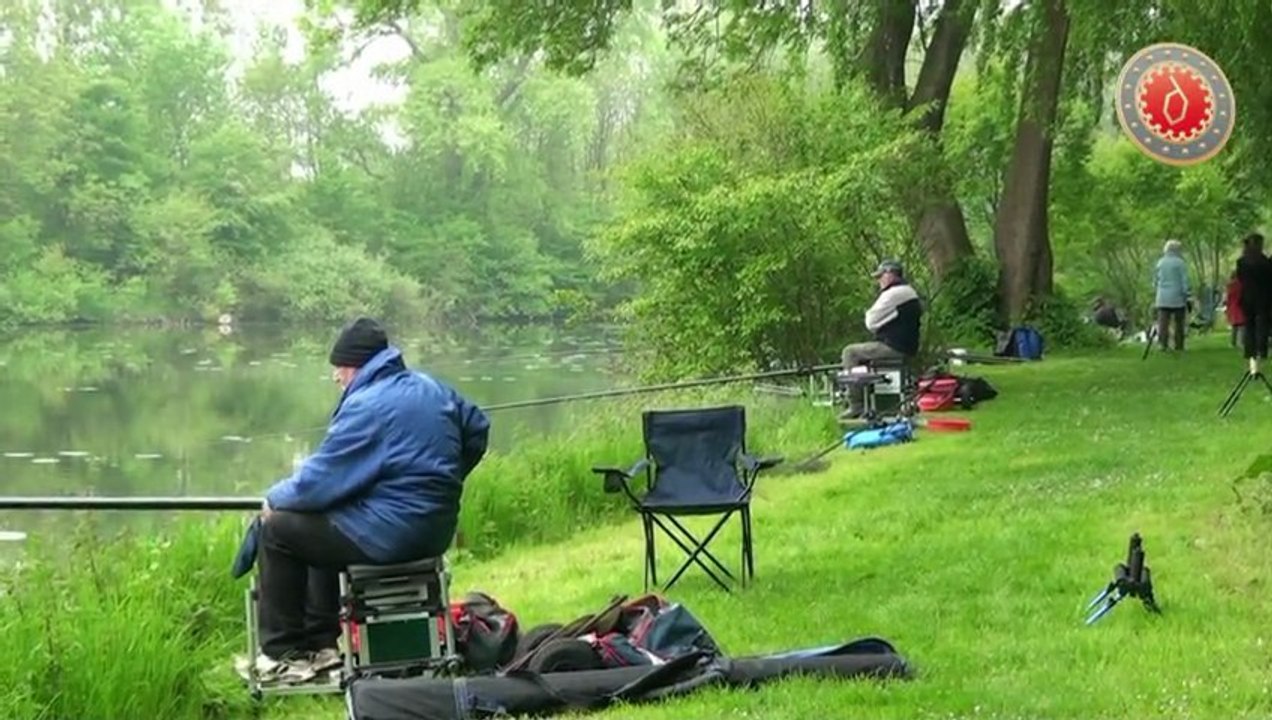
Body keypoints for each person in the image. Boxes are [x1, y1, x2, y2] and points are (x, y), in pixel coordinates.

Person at [244, 317, 490, 684]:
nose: (335, 377)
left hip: (392, 534)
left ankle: (284, 654)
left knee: (279, 528)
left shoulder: (368, 406)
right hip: (434, 530)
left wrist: (275, 497)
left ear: (357, 366)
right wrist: (447, 479)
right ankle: (322, 647)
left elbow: (319, 479)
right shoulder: (432, 388)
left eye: (339, 368)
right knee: (321, 519)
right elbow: (477, 428)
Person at [839, 259, 923, 420]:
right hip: (907, 346)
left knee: (850, 353)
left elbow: (870, 321)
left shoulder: (893, 294)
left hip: (894, 346)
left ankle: (855, 405)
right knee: (862, 352)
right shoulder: (909, 291)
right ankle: (865, 402)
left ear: (890, 274)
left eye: (880, 276)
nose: (879, 281)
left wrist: (877, 324)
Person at [1237, 233, 1272, 366]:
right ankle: (1261, 350)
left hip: (1247, 296)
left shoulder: (1242, 261)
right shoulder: (1264, 262)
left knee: (1249, 324)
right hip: (1263, 297)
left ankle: (1249, 350)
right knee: (1262, 324)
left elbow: (1240, 278)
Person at [1152, 239, 1190, 351]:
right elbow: (1184, 281)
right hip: (1177, 296)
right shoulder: (1180, 263)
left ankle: (1163, 344)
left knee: (1163, 322)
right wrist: (1187, 294)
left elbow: (1155, 281)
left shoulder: (1160, 262)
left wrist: (1157, 289)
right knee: (1179, 322)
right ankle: (1179, 345)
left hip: (1162, 297)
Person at [1225, 270, 1246, 348]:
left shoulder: (1230, 285)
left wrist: (1228, 307)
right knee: (1242, 325)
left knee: (1234, 326)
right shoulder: (1241, 284)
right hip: (1240, 305)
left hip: (1232, 306)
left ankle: (1233, 342)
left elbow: (1228, 297)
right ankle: (1242, 342)